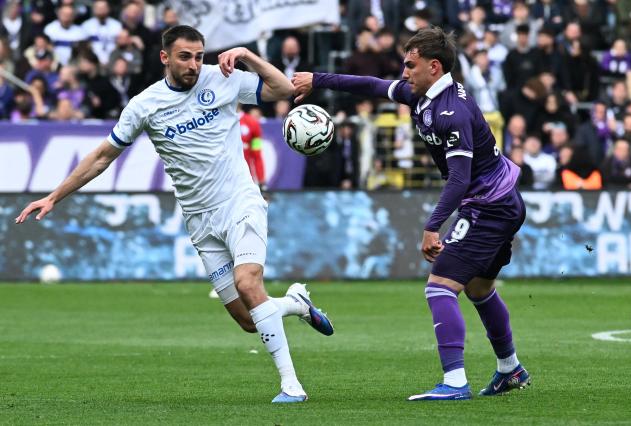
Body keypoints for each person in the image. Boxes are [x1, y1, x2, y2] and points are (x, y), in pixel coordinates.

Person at [15, 25, 334, 404]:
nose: (194, 65)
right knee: (250, 320)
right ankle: (296, 304)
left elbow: (284, 90)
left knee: (249, 283)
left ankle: (291, 386)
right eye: (185, 56)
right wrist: (54, 196)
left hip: (240, 201)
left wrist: (247, 55)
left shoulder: (224, 78)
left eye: (199, 56)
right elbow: (102, 157)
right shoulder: (145, 105)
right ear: (165, 57)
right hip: (199, 219)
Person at [293, 26, 530, 401]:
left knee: (439, 287)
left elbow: (459, 177)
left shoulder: (452, 111)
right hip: (501, 199)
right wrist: (317, 79)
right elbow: (371, 85)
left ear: (434, 67)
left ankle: (454, 382)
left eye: (410, 65)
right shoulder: (423, 95)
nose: (404, 72)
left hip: (488, 205)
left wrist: (432, 227)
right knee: (479, 288)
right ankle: (510, 369)